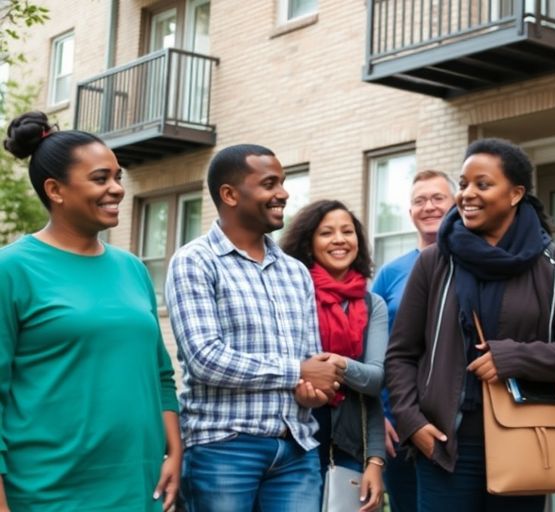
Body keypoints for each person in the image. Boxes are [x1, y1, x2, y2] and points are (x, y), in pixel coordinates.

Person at [385, 138, 555, 512]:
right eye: (464, 184)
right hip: (444, 444)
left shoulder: (553, 265)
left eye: (482, 184)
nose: (467, 194)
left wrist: (512, 357)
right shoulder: (434, 262)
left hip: (526, 440)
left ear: (516, 193)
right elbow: (402, 354)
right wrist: (412, 423)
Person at [0, 112, 180, 511]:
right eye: (101, 179)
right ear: (55, 189)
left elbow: (160, 373)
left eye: (118, 177)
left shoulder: (132, 268)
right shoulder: (11, 269)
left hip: (138, 487)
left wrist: (174, 452)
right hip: (46, 492)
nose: (117, 189)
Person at [165, 144, 345, 511]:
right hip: (223, 449)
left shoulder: (295, 271)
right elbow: (205, 359)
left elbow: (309, 359)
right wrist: (296, 371)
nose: (283, 193)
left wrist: (311, 389)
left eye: (282, 182)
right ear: (230, 195)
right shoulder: (195, 262)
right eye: (269, 184)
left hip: (296, 448)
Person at [280, 200, 388, 512]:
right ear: (310, 244)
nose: (339, 239)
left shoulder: (373, 304)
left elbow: (374, 382)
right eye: (327, 233)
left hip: (351, 445)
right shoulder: (292, 296)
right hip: (296, 439)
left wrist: (376, 462)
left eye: (347, 231)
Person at [371, 169, 455, 511]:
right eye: (420, 201)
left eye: (438, 198)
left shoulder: (470, 265)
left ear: (455, 206)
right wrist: (379, 416)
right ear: (410, 213)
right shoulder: (390, 274)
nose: (429, 207)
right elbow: (371, 349)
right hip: (397, 427)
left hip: (454, 425)